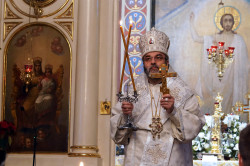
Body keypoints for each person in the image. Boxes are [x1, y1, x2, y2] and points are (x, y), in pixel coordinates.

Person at [110, 28, 205, 166]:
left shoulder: (183, 91)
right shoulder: (132, 91)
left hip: (173, 159)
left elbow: (195, 126)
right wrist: (126, 115)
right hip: (137, 159)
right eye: (148, 59)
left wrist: (174, 111)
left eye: (158, 58)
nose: (153, 62)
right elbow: (118, 136)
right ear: (144, 63)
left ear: (166, 61)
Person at [190, 12, 249, 114]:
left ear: (233, 23)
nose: (227, 23)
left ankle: (228, 124)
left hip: (231, 77)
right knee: (217, 101)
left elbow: (245, 64)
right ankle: (216, 124)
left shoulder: (239, 40)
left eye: (230, 21)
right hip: (216, 75)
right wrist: (191, 22)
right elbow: (196, 38)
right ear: (221, 23)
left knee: (229, 100)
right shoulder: (215, 38)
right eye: (225, 20)